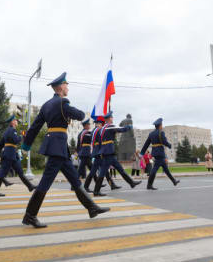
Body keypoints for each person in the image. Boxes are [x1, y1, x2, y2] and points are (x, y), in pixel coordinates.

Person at [21, 72, 110, 228]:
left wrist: (26, 145)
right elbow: (78, 114)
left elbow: (34, 127)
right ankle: (30, 215)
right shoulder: (62, 103)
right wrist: (82, 115)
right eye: (66, 84)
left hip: (58, 147)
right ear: (60, 87)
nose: (68, 87)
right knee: (45, 183)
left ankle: (91, 208)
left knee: (75, 179)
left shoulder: (46, 105)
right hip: (57, 147)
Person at [93, 112, 141, 196]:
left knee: (119, 169)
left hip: (107, 152)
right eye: (111, 117)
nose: (112, 118)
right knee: (103, 172)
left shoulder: (102, 129)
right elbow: (121, 129)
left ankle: (131, 183)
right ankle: (96, 191)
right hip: (108, 152)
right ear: (108, 119)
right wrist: (129, 127)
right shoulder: (110, 126)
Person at [0, 115, 36, 196]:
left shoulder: (7, 131)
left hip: (12, 155)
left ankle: (30, 186)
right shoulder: (12, 130)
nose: (17, 121)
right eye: (16, 120)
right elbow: (16, 140)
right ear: (12, 122)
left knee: (20, 172)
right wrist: (22, 136)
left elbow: (1, 144)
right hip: (9, 155)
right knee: (2, 173)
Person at [140, 118, 180, 190]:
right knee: (154, 169)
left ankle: (174, 181)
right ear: (160, 125)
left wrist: (142, 153)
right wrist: (169, 145)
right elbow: (164, 141)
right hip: (160, 153)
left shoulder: (151, 134)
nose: (162, 126)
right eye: (162, 125)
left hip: (155, 152)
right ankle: (149, 185)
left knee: (165, 169)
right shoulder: (161, 132)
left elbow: (146, 144)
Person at [84, 117, 120, 194]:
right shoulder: (98, 130)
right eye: (102, 123)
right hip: (99, 153)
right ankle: (92, 189)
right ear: (100, 123)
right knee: (98, 171)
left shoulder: (94, 130)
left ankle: (111, 185)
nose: (103, 125)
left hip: (98, 153)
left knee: (102, 170)